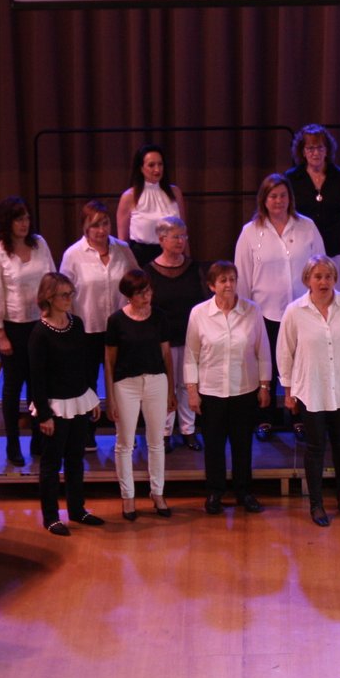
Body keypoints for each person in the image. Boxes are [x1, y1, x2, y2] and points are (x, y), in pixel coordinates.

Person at [278, 255, 340, 527]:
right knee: (315, 446)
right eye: (318, 276)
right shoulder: (295, 311)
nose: (324, 281)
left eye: (328, 276)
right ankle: (316, 503)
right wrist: (288, 391)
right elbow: (286, 353)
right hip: (311, 387)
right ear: (307, 280)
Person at [235, 173, 325, 440]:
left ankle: (298, 417)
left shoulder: (306, 226)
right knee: (268, 367)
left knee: (300, 364)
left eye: (283, 195)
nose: (278, 201)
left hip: (302, 311)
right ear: (264, 199)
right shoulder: (250, 232)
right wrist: (244, 314)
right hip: (265, 312)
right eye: (273, 196)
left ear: (290, 198)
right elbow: (243, 275)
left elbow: (321, 265)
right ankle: (265, 418)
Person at [184, 261, 272, 515]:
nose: (229, 284)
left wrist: (265, 385)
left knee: (243, 444)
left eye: (232, 279)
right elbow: (191, 355)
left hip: (244, 389)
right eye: (223, 280)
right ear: (212, 285)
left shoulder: (251, 310)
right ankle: (215, 492)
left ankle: (244, 492)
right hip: (211, 392)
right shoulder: (199, 313)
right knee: (213, 445)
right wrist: (192, 390)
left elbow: (263, 351)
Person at [28, 273, 105, 535]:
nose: (70, 299)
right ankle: (51, 517)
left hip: (78, 400)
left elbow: (83, 365)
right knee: (51, 464)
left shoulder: (77, 324)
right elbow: (36, 377)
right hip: (55, 406)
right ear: (48, 298)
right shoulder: (40, 333)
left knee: (76, 459)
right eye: (64, 295)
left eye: (72, 294)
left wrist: (90, 397)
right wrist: (44, 415)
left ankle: (77, 510)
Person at [59, 199, 138, 451]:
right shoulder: (73, 255)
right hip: (87, 329)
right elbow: (63, 292)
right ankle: (87, 434)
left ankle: (125, 432)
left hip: (120, 328)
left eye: (105, 223)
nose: (101, 230)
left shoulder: (123, 249)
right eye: (95, 226)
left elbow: (136, 282)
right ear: (85, 228)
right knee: (88, 382)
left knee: (123, 382)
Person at [0, 196, 56, 466]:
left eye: (26, 218)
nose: (24, 224)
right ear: (7, 222)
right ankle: (13, 445)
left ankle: (39, 440)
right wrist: (0, 333)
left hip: (40, 323)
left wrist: (54, 315)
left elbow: (51, 278)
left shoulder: (40, 244)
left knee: (40, 384)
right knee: (14, 387)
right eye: (18, 219)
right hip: (10, 328)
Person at [105, 269, 175, 521]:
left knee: (156, 440)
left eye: (148, 291)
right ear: (129, 295)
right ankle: (128, 497)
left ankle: (157, 493)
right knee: (125, 443)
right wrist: (110, 397)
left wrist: (170, 390)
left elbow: (166, 354)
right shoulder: (116, 321)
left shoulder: (159, 317)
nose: (147, 296)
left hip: (156, 380)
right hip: (126, 383)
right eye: (140, 293)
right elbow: (110, 360)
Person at [146, 216, 207, 452]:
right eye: (176, 236)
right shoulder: (149, 271)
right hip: (161, 340)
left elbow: (202, 303)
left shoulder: (194, 268)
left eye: (184, 236)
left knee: (187, 385)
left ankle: (188, 430)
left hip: (189, 336)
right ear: (162, 239)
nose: (181, 241)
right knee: (165, 386)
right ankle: (164, 433)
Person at [285, 124, 340, 292]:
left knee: (336, 302)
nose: (315, 153)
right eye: (310, 148)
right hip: (303, 252)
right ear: (303, 152)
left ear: (327, 150)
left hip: (336, 252)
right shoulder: (291, 179)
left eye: (320, 148)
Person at [117, 143, 187, 266]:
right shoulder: (129, 196)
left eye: (160, 164)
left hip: (174, 256)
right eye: (151, 165)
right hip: (142, 259)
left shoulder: (175, 193)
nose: (157, 169)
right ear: (141, 168)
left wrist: (187, 261)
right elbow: (123, 241)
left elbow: (184, 231)